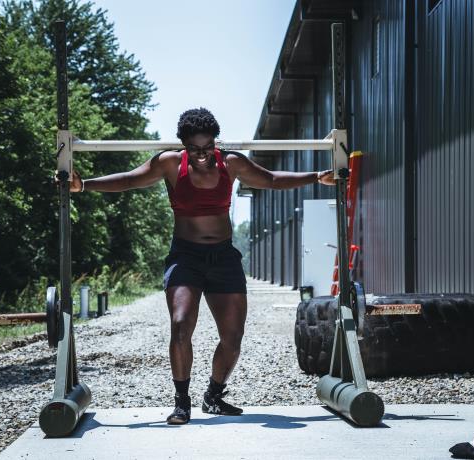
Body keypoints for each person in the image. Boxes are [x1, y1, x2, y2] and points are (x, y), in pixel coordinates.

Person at [68, 107, 335, 424]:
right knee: (181, 325)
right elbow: (129, 180)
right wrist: (83, 185)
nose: (203, 155)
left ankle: (214, 395)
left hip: (223, 257)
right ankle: (182, 402)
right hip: (185, 257)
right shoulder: (170, 163)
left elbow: (272, 179)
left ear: (215, 143)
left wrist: (317, 176)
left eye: (208, 147)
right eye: (195, 149)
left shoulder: (230, 162)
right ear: (184, 145)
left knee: (233, 339)